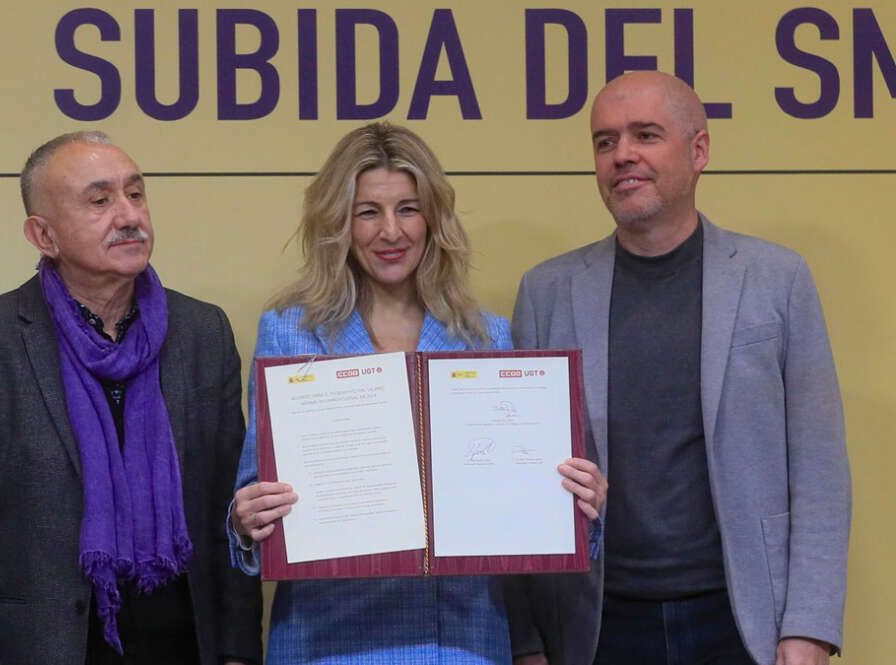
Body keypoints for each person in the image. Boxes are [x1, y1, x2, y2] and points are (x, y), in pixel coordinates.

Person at [227, 122, 606, 665]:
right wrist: (247, 518)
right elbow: (251, 503)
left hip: (463, 641)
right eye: (368, 212)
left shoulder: (485, 337)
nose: (391, 231)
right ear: (339, 223)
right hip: (327, 641)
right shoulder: (290, 332)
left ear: (433, 218)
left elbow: (521, 520)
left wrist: (577, 505)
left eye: (407, 208)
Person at [508, 71, 851, 665]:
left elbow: (820, 471)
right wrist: (527, 642)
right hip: (594, 626)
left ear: (699, 152)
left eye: (645, 135)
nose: (623, 156)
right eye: (605, 141)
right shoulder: (547, 292)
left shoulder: (778, 280)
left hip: (745, 621)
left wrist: (810, 628)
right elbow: (514, 486)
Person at [0, 131, 262, 665]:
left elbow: (227, 509)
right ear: (43, 235)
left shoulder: (201, 333)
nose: (128, 216)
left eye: (135, 194)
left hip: (183, 644)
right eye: (100, 201)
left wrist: (238, 650)